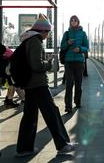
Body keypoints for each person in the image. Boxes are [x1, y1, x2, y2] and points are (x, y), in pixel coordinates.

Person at [16, 14, 76, 157]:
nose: (48, 35)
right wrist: (48, 63)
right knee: (52, 113)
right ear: (41, 31)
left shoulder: (28, 40)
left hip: (31, 84)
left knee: (30, 116)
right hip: (38, 84)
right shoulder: (36, 41)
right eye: (48, 32)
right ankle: (62, 145)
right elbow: (36, 65)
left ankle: (24, 148)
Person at [60, 15, 89, 113]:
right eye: (71, 20)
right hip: (69, 62)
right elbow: (62, 47)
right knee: (69, 84)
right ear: (70, 22)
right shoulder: (67, 34)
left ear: (78, 22)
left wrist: (80, 49)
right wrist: (67, 43)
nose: (73, 21)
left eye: (75, 20)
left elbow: (86, 47)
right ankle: (68, 106)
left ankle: (77, 102)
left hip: (79, 62)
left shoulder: (83, 33)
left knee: (78, 83)